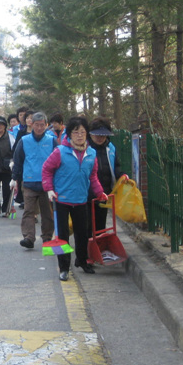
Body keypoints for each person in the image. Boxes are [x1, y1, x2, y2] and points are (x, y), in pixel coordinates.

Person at [42, 116, 108, 281]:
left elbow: (93, 176)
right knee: (62, 236)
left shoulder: (91, 153)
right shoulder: (60, 152)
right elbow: (47, 170)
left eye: (83, 132)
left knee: (82, 233)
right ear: (69, 134)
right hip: (61, 200)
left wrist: (100, 192)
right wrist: (49, 189)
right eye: (76, 132)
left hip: (81, 200)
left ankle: (82, 261)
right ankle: (64, 268)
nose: (79, 135)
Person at [10, 112, 59, 249]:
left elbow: (58, 162)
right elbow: (18, 161)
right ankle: (29, 237)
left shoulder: (51, 141)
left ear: (46, 125)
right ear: (31, 125)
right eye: (37, 125)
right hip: (29, 181)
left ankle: (47, 237)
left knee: (47, 213)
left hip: (47, 184)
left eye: (42, 125)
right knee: (29, 211)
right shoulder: (24, 141)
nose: (39, 128)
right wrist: (14, 178)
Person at [87, 117, 128, 237]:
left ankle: (100, 245)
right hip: (87, 193)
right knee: (87, 226)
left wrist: (122, 175)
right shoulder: (85, 148)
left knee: (100, 225)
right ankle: (87, 246)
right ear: (91, 134)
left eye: (103, 135)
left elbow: (116, 166)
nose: (100, 138)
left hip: (104, 192)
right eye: (97, 135)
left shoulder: (111, 148)